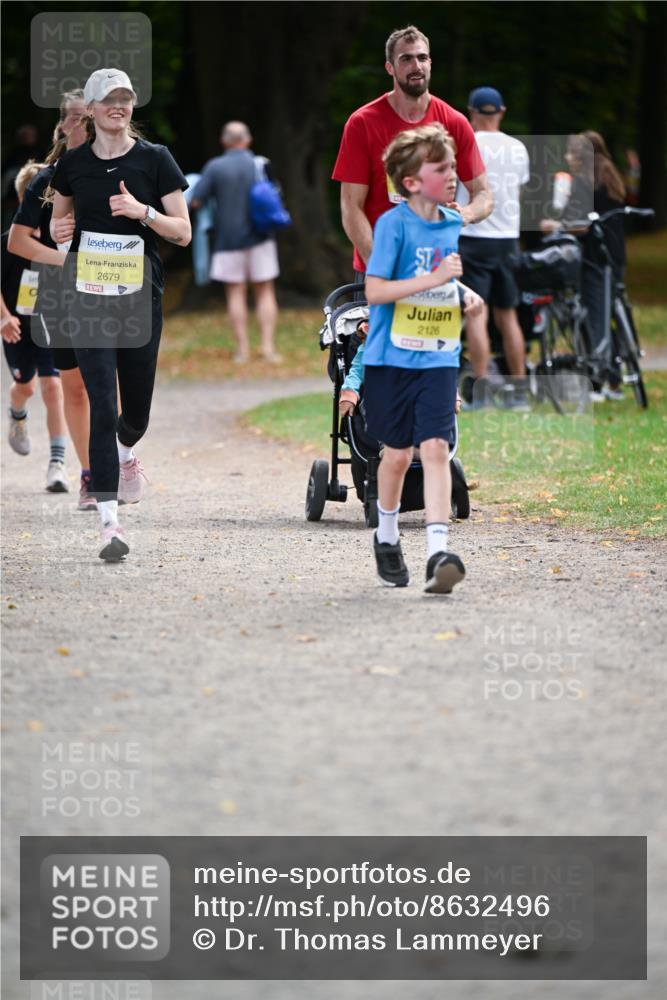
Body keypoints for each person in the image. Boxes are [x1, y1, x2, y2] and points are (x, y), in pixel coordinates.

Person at [50, 68, 190, 561]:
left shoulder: (156, 159)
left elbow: (183, 232)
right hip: (87, 296)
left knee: (135, 413)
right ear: (90, 109)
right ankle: (110, 524)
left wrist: (142, 212)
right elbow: (58, 221)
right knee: (102, 407)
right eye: (109, 98)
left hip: (138, 297)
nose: (119, 106)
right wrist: (60, 231)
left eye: (126, 98)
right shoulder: (72, 164)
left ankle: (128, 451)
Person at [362, 123, 483, 594]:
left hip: (438, 353)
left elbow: (442, 278)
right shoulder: (392, 225)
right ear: (412, 182)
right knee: (396, 455)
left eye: (453, 167)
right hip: (390, 358)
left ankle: (438, 553)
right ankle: (387, 536)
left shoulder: (451, 222)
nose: (453, 176)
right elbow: (376, 291)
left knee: (435, 448)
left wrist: (462, 293)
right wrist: (436, 279)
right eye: (442, 169)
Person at [332, 24, 492, 278]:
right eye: (406, 59)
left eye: (422, 57)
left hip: (435, 267)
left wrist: (464, 214)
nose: (416, 66)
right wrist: (380, 266)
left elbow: (484, 194)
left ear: (430, 63)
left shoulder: (454, 122)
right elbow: (351, 206)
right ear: (390, 67)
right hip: (380, 265)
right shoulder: (363, 123)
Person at [8, 89, 96, 509]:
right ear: (62, 125)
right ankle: (87, 473)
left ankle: (117, 457)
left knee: (108, 389)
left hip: (112, 294)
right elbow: (18, 241)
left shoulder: (121, 170)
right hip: (51, 302)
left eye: (90, 116)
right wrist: (64, 261)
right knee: (63, 387)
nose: (85, 124)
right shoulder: (45, 182)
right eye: (76, 117)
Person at [457, 87, 530, 405]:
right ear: (501, 112)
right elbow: (519, 192)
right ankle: (520, 390)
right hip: (508, 239)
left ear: (472, 112)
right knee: (508, 316)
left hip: (473, 236)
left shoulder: (465, 143)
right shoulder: (518, 148)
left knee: (477, 314)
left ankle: (483, 390)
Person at [541, 130, 627, 401]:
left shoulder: (584, 180)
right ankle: (614, 377)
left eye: (570, 152)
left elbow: (580, 224)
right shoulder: (609, 175)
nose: (567, 157)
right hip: (615, 255)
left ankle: (598, 380)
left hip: (592, 258)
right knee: (607, 314)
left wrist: (555, 225)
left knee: (594, 317)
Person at [2, 161, 69, 491]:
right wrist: (4, 317)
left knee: (53, 387)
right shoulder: (9, 241)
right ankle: (17, 412)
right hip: (16, 324)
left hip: (49, 322)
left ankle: (58, 464)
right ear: (23, 200)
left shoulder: (59, 241)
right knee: (26, 387)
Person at [191, 122, 281, 364]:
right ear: (248, 140)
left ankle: (242, 351)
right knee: (265, 290)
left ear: (224, 141)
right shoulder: (260, 163)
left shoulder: (215, 167)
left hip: (227, 239)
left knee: (235, 293)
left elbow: (196, 201)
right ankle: (268, 348)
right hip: (261, 237)